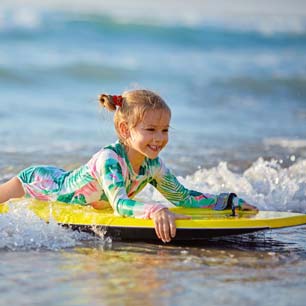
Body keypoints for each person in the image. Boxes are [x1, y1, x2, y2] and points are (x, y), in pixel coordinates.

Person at [0, 89, 257, 242]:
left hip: (64, 183)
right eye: (151, 129)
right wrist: (155, 210)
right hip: (39, 183)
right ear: (125, 130)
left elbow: (183, 197)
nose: (159, 138)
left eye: (165, 129)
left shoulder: (152, 166)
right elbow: (120, 204)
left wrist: (228, 202)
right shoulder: (109, 161)